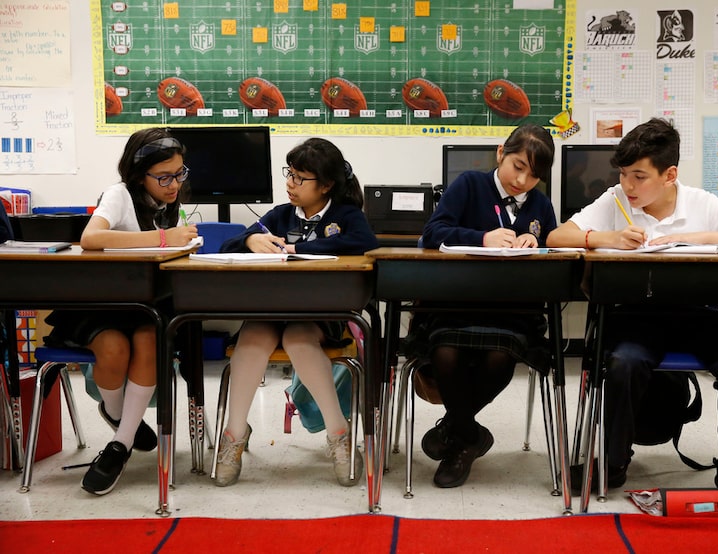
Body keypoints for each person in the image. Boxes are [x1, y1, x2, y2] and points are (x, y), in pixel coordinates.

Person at [545, 117, 718, 503]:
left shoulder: (700, 202)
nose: (628, 186)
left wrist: (697, 237)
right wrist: (605, 237)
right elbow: (556, 236)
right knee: (624, 362)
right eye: (624, 175)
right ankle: (613, 464)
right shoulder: (615, 200)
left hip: (697, 317)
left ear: (670, 175)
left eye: (639, 176)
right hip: (634, 317)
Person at [215, 137, 378, 487]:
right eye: (289, 174)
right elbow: (226, 245)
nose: (290, 183)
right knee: (252, 341)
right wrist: (249, 241)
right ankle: (234, 434)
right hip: (271, 306)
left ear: (327, 184)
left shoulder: (345, 215)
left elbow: (364, 242)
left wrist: (298, 246)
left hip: (321, 312)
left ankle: (339, 434)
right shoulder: (279, 214)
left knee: (299, 340)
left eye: (300, 178)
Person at [45, 127, 198, 495]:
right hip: (102, 304)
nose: (174, 184)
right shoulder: (119, 195)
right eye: (164, 177)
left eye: (179, 174)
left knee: (150, 342)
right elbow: (91, 238)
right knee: (114, 350)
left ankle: (119, 445)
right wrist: (163, 238)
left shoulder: (168, 203)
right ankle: (116, 413)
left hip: (144, 305)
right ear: (137, 174)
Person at [413, 123, 557, 488]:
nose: (523, 180)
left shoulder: (541, 205)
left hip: (512, 313)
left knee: (500, 358)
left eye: (534, 175)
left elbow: (553, 249)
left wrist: (535, 241)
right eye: (518, 166)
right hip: (455, 303)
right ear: (500, 153)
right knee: (444, 352)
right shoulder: (469, 185)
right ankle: (469, 436)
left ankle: (455, 430)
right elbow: (433, 233)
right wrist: (481, 237)